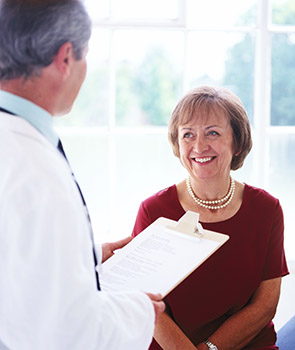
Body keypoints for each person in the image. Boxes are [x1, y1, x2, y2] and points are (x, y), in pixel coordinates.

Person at [0, 1, 165, 349]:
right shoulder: (37, 172)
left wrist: (88, 253)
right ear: (65, 58)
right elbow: (68, 335)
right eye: (86, 56)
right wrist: (139, 311)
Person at [132, 86, 289, 350]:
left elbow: (265, 305)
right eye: (188, 135)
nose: (198, 146)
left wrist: (209, 349)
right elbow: (146, 304)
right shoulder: (153, 211)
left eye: (212, 133)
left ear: (237, 142)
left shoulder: (267, 209)